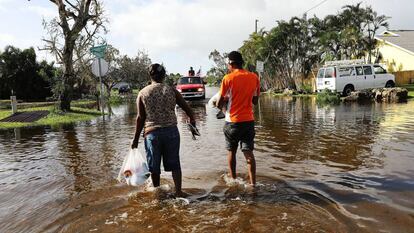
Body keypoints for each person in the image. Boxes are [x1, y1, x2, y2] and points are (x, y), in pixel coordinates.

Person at [131, 63, 196, 197]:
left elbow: (140, 118)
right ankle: (178, 192)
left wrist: (135, 139)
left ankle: (157, 193)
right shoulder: (172, 90)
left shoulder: (143, 93)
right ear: (164, 75)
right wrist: (193, 123)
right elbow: (188, 109)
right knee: (175, 164)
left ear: (150, 75)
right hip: (171, 132)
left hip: (152, 134)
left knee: (154, 167)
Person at [217, 51, 260, 185]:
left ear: (231, 63)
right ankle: (253, 184)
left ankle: (233, 180)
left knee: (231, 152)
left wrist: (223, 107)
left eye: (228, 64)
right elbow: (255, 101)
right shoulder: (254, 77)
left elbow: (219, 102)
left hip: (233, 122)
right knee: (249, 153)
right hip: (248, 121)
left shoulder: (228, 78)